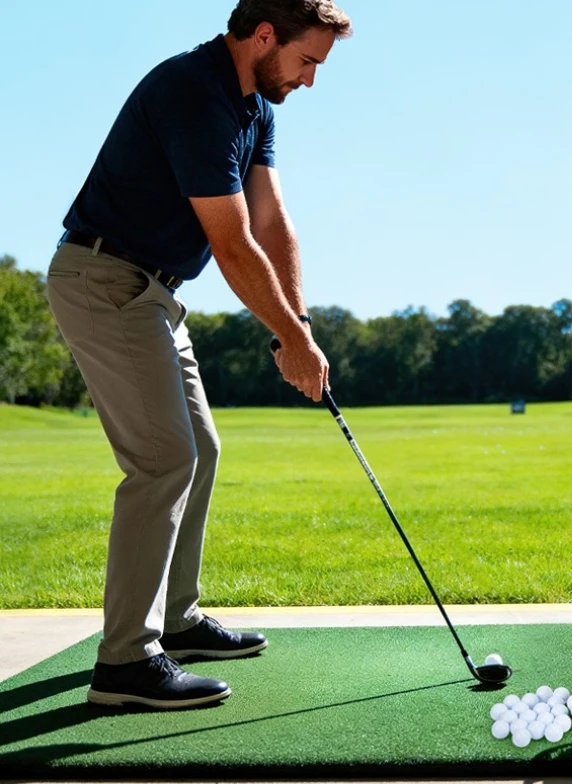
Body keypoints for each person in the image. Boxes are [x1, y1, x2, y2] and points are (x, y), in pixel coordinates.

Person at [45, 0, 352, 710]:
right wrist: (295, 342)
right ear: (264, 36)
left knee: (201, 450)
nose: (309, 81)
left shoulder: (256, 108)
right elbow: (233, 241)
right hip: (104, 279)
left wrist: (296, 327)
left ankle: (175, 620)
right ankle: (124, 661)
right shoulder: (192, 91)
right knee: (163, 460)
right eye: (307, 61)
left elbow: (272, 221)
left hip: (152, 293)